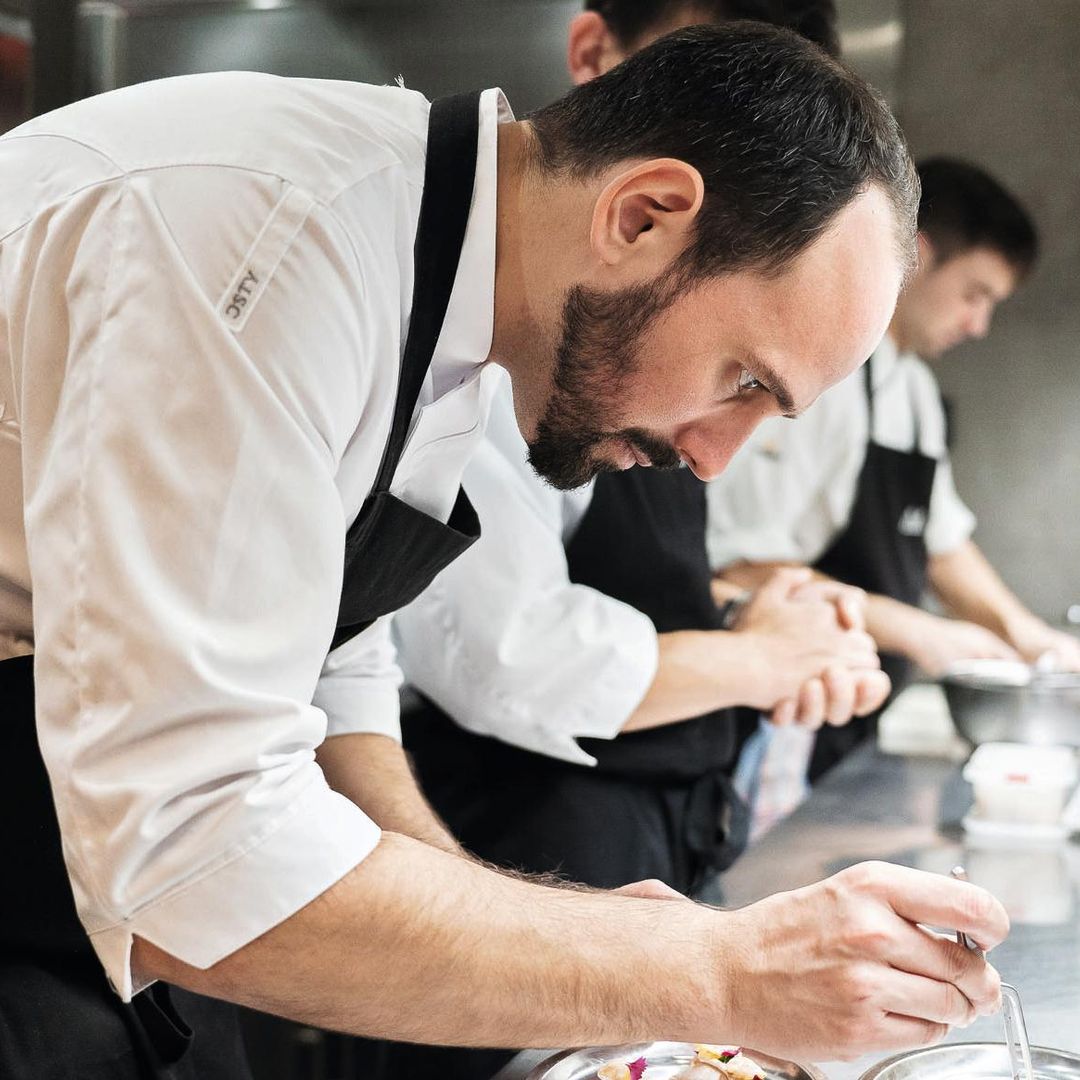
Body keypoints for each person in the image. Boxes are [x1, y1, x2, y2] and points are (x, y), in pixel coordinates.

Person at [0, 25, 1006, 1080]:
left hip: (94, 887)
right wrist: (715, 968)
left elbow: (338, 667)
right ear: (644, 215)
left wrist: (522, 926)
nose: (712, 459)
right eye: (742, 381)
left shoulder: (452, 305)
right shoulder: (275, 240)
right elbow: (191, 862)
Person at [709, 156, 1079, 787]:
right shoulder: (824, 381)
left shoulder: (914, 391)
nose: (978, 324)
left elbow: (941, 543)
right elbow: (737, 565)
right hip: (772, 703)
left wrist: (1031, 637)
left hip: (853, 707)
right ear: (918, 255)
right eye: (974, 294)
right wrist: (915, 629)